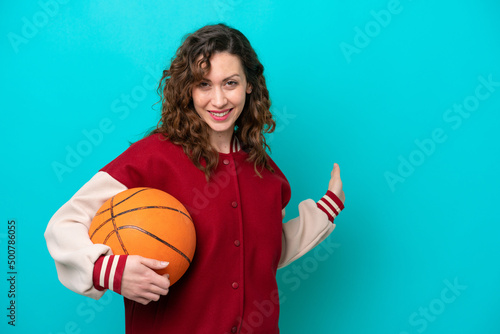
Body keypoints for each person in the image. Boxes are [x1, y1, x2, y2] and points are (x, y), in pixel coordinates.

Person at [45, 23, 345, 334]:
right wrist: (109, 271)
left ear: (249, 86)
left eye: (230, 83)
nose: (218, 100)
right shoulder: (152, 158)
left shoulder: (267, 174)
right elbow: (63, 225)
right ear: (188, 89)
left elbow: (263, 254)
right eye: (204, 84)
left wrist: (326, 211)